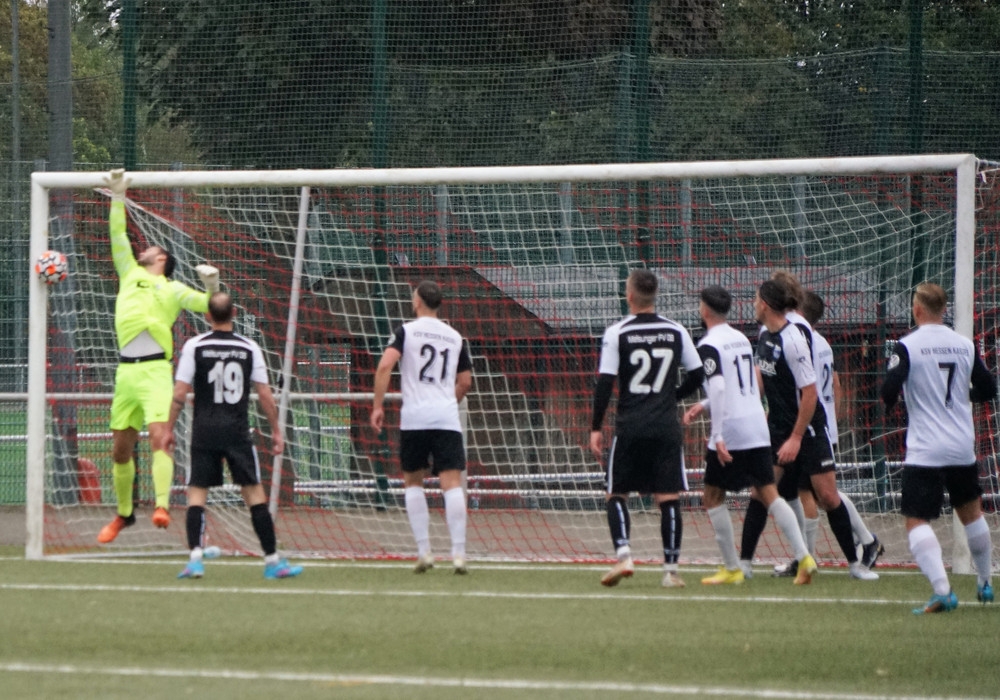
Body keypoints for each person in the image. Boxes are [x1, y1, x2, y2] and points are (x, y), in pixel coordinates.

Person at [97, 169, 221, 544]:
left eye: (150, 248)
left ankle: (162, 506)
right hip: (126, 374)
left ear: (162, 258)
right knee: (120, 451)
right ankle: (124, 514)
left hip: (154, 371)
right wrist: (118, 197)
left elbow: (211, 307)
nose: (144, 249)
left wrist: (212, 284)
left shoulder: (173, 289)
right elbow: (117, 235)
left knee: (159, 437)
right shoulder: (129, 272)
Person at [742, 279, 877, 581]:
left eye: (756, 298)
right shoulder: (764, 336)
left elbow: (810, 392)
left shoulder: (794, 338)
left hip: (809, 429)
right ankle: (745, 564)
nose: (753, 303)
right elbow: (761, 379)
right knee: (761, 491)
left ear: (766, 304)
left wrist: (796, 437)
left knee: (827, 496)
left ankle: (855, 564)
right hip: (778, 427)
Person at [682, 286, 814, 585]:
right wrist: (703, 406)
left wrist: (717, 434)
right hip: (757, 424)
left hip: (732, 428)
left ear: (704, 310)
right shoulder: (741, 338)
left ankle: (732, 568)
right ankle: (804, 556)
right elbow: (744, 385)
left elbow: (719, 387)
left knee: (712, 497)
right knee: (769, 492)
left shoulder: (709, 343)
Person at [167, 292, 302, 579]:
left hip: (204, 431)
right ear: (235, 314)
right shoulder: (249, 347)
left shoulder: (195, 346)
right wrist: (277, 430)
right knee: (254, 495)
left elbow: (179, 393)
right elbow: (265, 394)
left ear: (207, 316)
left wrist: (167, 429)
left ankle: (195, 559)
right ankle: (272, 561)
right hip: (237, 432)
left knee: (197, 495)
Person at [881, 282, 996, 613]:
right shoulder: (964, 344)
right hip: (961, 445)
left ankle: (943, 591)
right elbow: (989, 388)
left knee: (916, 520)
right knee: (971, 513)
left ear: (917, 309)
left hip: (926, 449)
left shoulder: (907, 346)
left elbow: (888, 391)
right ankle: (985, 582)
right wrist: (964, 396)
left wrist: (899, 396)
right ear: (944, 309)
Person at [589, 269, 704, 588]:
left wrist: (595, 427)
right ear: (655, 296)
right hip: (665, 425)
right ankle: (671, 571)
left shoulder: (617, 332)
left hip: (631, 425)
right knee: (668, 497)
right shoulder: (676, 330)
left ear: (629, 296)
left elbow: (605, 383)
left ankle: (624, 555)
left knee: (616, 493)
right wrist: (672, 396)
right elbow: (697, 376)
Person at [370, 280, 473, 574]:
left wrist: (377, 406)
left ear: (416, 302)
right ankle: (458, 554)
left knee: (413, 482)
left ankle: (424, 551)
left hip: (415, 418)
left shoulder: (406, 331)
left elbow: (385, 366)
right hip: (445, 419)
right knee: (452, 484)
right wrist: (446, 401)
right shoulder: (455, 337)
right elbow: (465, 382)